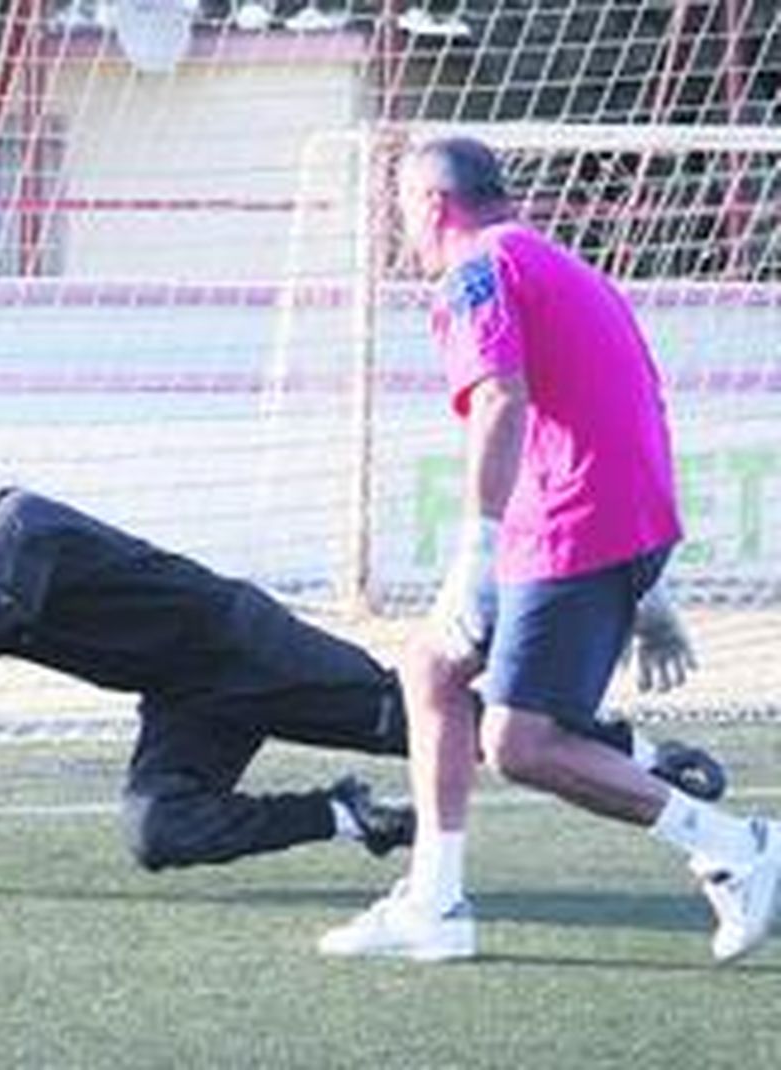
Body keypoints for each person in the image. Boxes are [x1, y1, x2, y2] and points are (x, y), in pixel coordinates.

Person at [0, 480, 723, 877]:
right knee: (157, 833)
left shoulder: (19, 527)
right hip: (186, 698)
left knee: (427, 725)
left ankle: (645, 758)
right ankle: (347, 816)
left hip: (242, 646)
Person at [318, 137, 778, 964]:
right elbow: (625, 399)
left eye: (402, 207)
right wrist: (647, 583)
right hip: (601, 519)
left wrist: (476, 549)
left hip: (572, 524)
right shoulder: (556, 263)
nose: (401, 227)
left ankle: (737, 847)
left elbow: (503, 399)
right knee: (431, 669)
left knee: (520, 744)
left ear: (432, 204)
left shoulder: (476, 272)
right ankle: (435, 903)